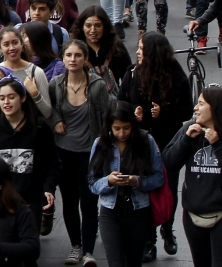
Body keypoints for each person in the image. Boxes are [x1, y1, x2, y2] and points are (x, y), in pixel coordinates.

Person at [121, 32, 193, 259]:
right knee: (145, 188)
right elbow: (121, 102)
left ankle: (167, 230)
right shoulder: (132, 73)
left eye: (142, 48)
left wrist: (164, 112)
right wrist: (135, 111)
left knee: (168, 188)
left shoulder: (174, 74)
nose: (138, 52)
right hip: (142, 142)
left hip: (167, 142)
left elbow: (187, 110)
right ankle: (149, 240)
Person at [49, 39, 112, 267]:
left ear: (85, 59)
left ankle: (87, 251)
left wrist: (105, 150)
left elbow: (106, 119)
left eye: (77, 55)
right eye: (68, 56)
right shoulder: (56, 84)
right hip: (64, 151)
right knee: (69, 201)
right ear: (63, 59)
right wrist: (56, 121)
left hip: (90, 152)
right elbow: (49, 111)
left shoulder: (97, 86)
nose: (73, 60)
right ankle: (75, 246)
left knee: (88, 202)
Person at [89, 101, 167, 267]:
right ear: (109, 127)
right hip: (110, 212)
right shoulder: (100, 144)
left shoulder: (147, 141)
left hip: (138, 211)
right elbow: (92, 182)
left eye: (126, 127)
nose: (122, 133)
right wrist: (108, 181)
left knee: (134, 261)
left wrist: (136, 181)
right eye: (117, 128)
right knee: (115, 262)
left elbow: (158, 177)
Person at [0, 77, 58, 217]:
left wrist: (49, 188)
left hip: (31, 199)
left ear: (23, 98)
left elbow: (52, 162)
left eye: (11, 97)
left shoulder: (40, 127)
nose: (6, 102)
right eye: (1, 98)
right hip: (1, 198)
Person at [163, 88, 222, 267]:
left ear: (215, 108)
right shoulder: (189, 128)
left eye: (201, 104)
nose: (195, 108)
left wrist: (217, 145)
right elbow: (168, 162)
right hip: (193, 214)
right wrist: (186, 139)